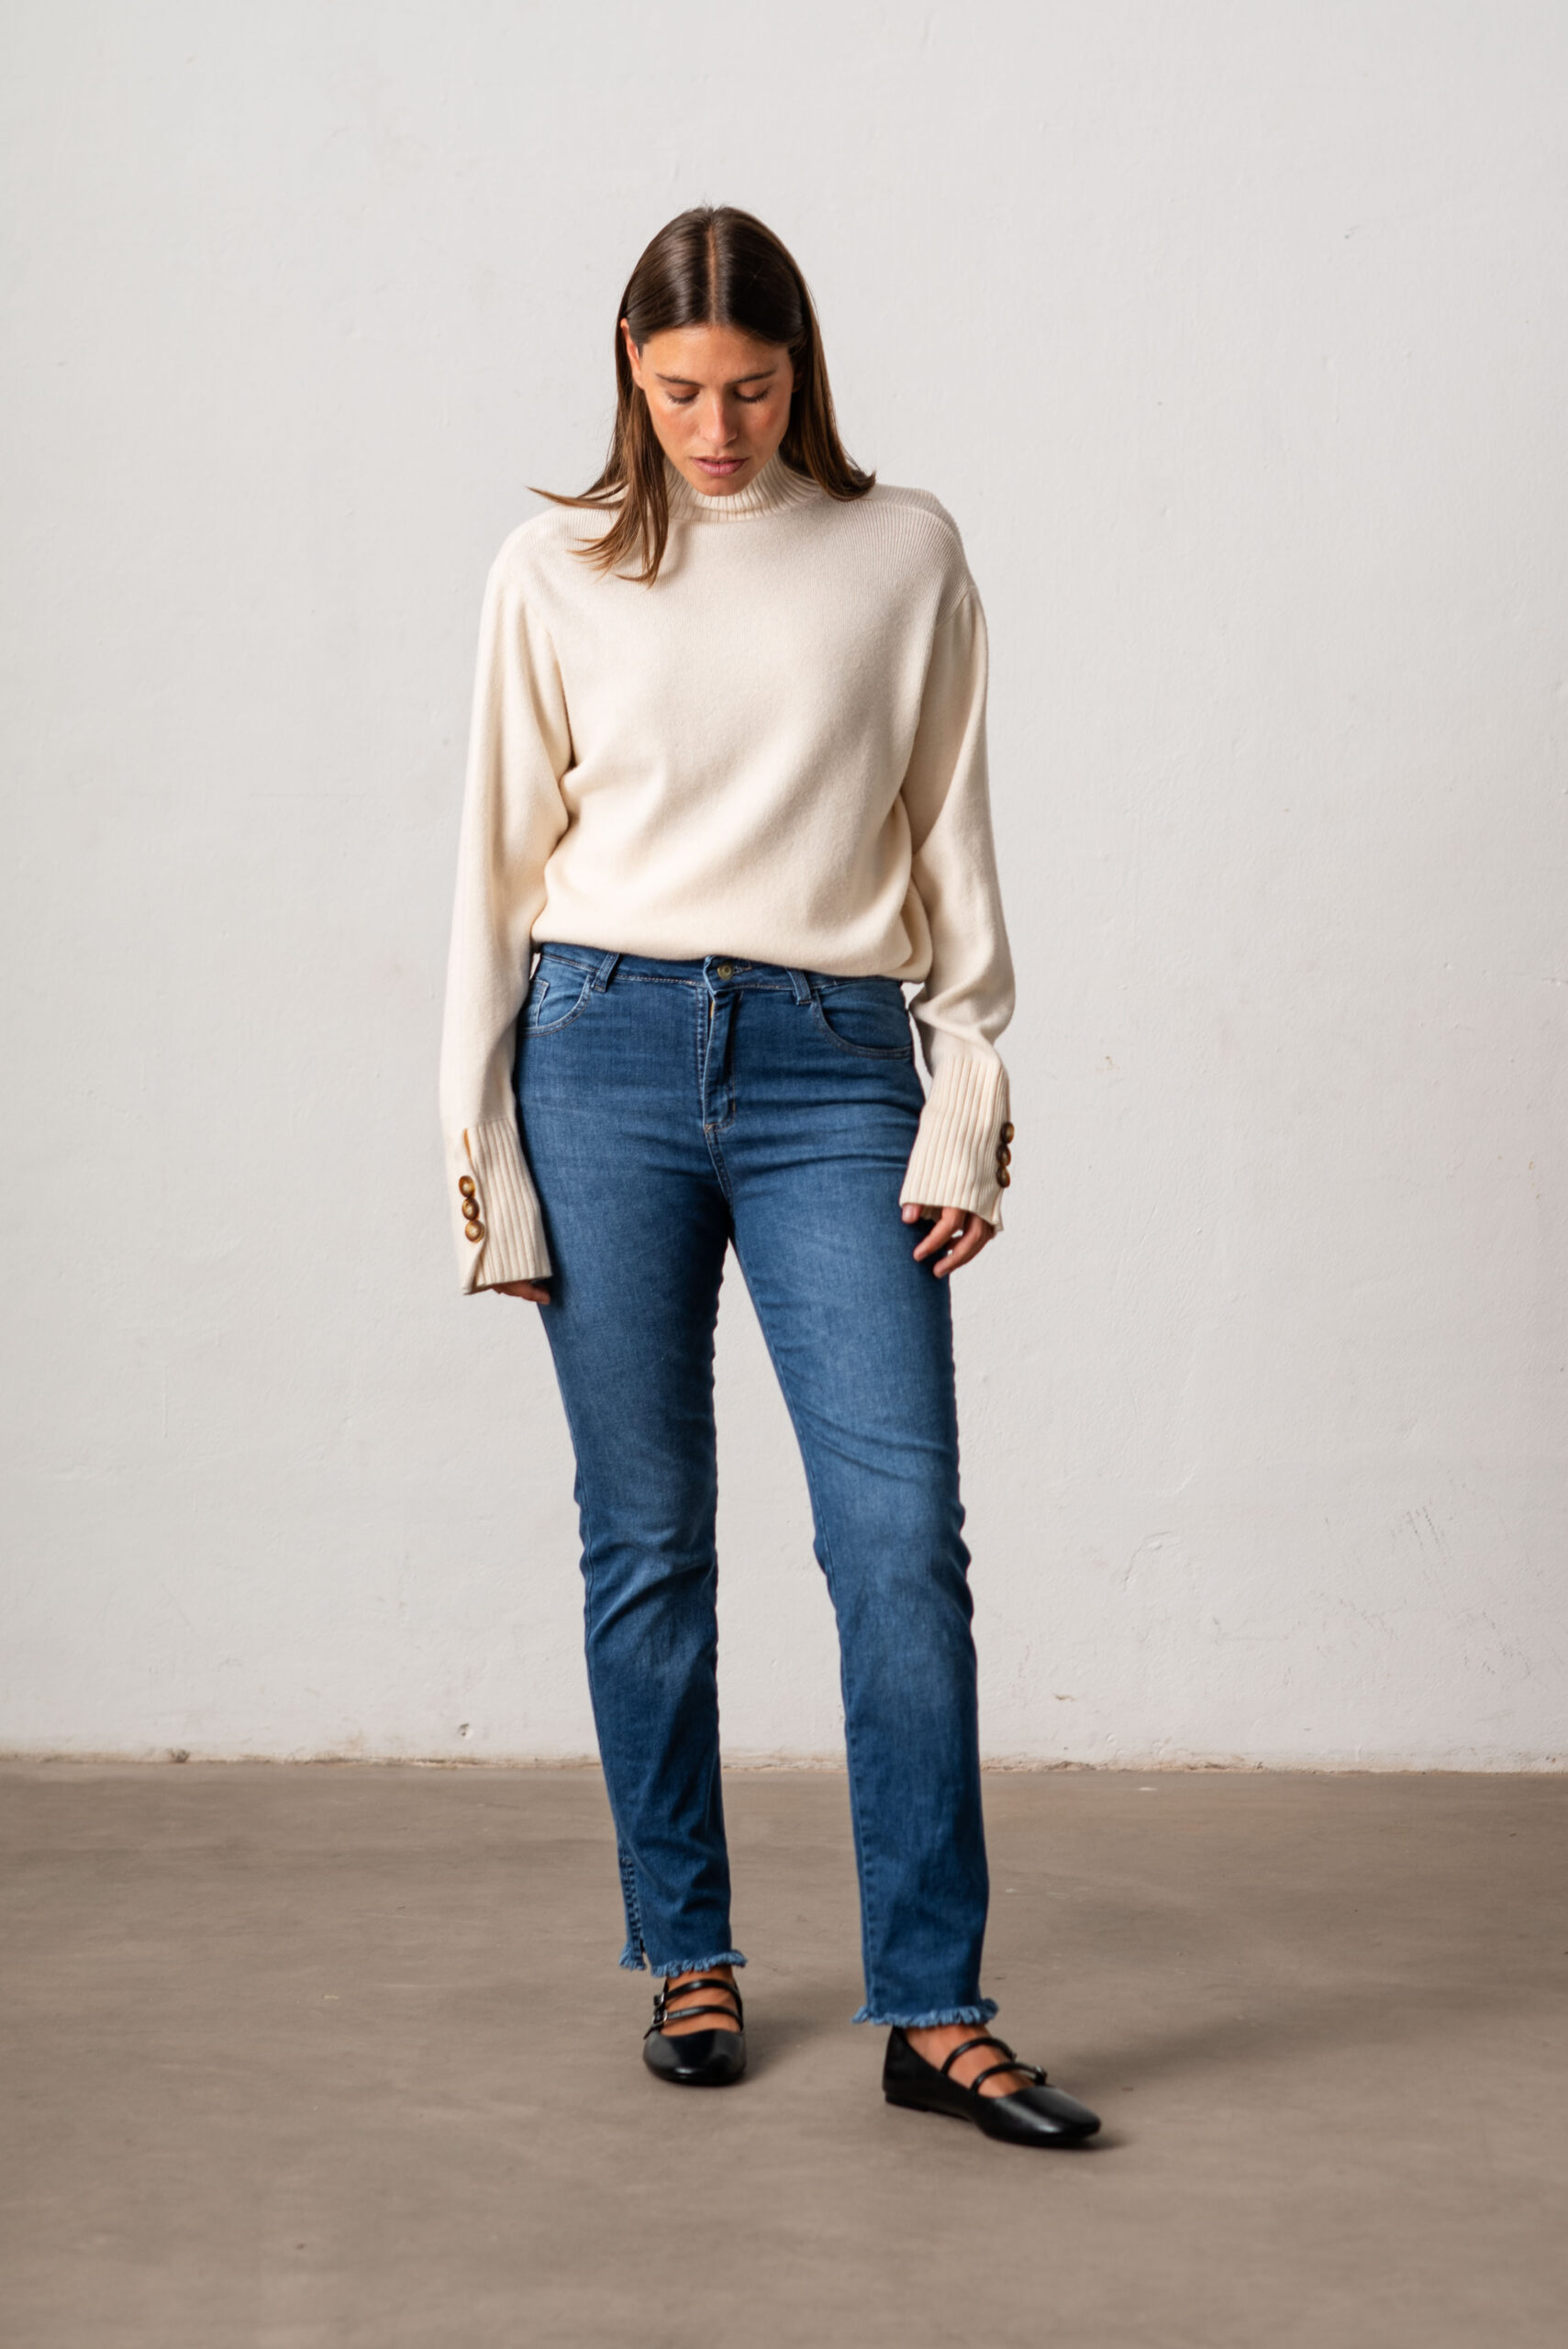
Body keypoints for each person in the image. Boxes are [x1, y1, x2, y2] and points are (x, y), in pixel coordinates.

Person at [438, 206, 1099, 2148]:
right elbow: (490, 874)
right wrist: (487, 1163)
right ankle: (687, 1950)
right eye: (676, 394)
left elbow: (949, 834)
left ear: (798, 370)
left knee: (898, 1541)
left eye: (744, 389)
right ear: (628, 379)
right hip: (599, 1052)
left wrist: (966, 1101)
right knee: (646, 1537)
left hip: (834, 1062)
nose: (713, 431)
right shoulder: (554, 568)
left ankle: (935, 2007)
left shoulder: (906, 552)